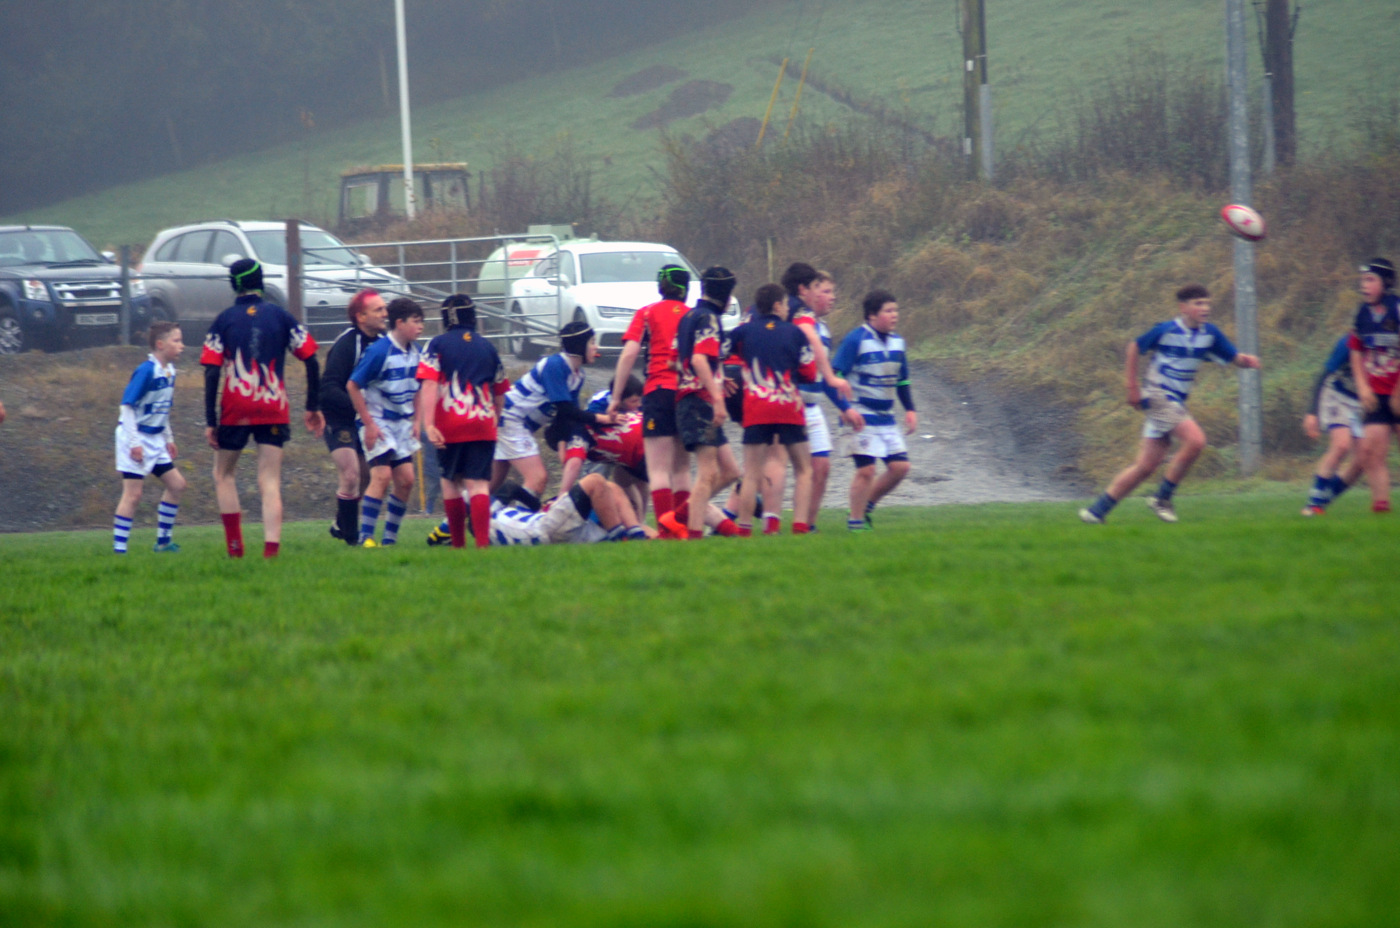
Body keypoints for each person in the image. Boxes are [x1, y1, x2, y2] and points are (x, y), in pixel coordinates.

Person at [1079, 283, 1261, 524]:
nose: (1205, 308)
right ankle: (1162, 498)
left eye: (1207, 303)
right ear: (1183, 307)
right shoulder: (1166, 330)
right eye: (1198, 303)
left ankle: (1096, 511)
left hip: (1175, 403)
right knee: (1196, 441)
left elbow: (1233, 357)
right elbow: (1134, 347)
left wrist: (1247, 361)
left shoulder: (1210, 334)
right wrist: (1131, 387)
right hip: (1158, 396)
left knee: (1145, 466)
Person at [202, 257, 323, 558]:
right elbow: (311, 360)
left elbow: (212, 372)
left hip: (236, 407)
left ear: (234, 285)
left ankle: (235, 548)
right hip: (273, 406)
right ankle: (271, 552)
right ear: (261, 281)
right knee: (269, 480)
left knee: (223, 475)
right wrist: (312, 405)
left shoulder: (223, 320)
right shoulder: (282, 317)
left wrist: (210, 420)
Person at [416, 294, 509, 549]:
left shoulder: (436, 344)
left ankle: (458, 546)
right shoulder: (488, 347)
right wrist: (495, 418)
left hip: (450, 424)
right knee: (478, 484)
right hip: (483, 423)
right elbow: (500, 390)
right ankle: (482, 546)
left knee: (450, 482)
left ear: (446, 319)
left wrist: (428, 424)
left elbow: (429, 383)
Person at [607, 264, 694, 533]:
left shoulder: (646, 313)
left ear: (660, 288)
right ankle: (683, 530)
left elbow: (629, 354)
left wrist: (616, 397)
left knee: (658, 470)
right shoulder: (693, 316)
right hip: (686, 393)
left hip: (658, 392)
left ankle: (666, 531)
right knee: (682, 469)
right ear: (686, 289)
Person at [729, 283, 818, 535]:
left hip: (756, 409)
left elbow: (720, 357)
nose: (788, 308)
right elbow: (810, 372)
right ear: (777, 305)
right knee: (804, 469)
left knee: (751, 473)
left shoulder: (742, 332)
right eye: (786, 304)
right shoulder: (795, 332)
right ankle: (800, 526)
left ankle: (744, 529)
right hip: (789, 408)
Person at [665, 266, 744, 539]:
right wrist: (718, 397)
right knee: (708, 473)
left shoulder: (688, 317)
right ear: (725, 294)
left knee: (731, 471)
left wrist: (717, 377)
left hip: (692, 398)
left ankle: (681, 515)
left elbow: (674, 362)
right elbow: (698, 360)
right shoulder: (709, 319)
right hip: (699, 402)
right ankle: (694, 535)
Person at [494, 321, 611, 505]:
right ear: (579, 346)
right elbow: (565, 408)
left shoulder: (578, 375)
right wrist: (601, 418)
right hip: (511, 419)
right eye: (592, 342)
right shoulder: (555, 365)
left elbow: (566, 417)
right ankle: (520, 520)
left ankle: (457, 520)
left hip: (514, 423)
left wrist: (563, 447)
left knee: (489, 484)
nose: (596, 347)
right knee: (537, 479)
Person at [832, 290, 918, 531]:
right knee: (866, 470)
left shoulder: (898, 342)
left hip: (886, 418)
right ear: (872, 315)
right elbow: (834, 378)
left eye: (896, 310)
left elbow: (902, 380)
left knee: (900, 468)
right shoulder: (855, 340)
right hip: (860, 414)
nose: (895, 315)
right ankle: (855, 524)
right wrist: (845, 408)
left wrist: (910, 409)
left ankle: (866, 506)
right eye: (888, 311)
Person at [783, 264, 856, 532]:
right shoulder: (793, 320)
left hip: (811, 407)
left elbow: (824, 376)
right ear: (808, 292)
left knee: (821, 466)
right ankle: (732, 513)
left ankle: (807, 526)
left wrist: (844, 407)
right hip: (787, 403)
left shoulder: (823, 330)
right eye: (825, 291)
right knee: (769, 465)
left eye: (832, 292)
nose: (831, 297)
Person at [347, 297, 424, 546]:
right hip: (377, 421)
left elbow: (420, 388)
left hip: (401, 423)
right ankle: (366, 537)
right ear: (399, 323)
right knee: (381, 476)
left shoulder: (417, 352)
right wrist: (369, 424)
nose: (421, 327)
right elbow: (353, 385)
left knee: (407, 480)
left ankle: (389, 540)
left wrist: (417, 421)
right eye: (416, 321)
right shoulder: (380, 351)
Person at [112, 321, 187, 553]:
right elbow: (127, 407)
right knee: (133, 495)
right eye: (177, 340)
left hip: (155, 439)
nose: (182, 345)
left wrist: (168, 438)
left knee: (177, 485)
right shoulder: (146, 370)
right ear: (160, 344)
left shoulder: (170, 371)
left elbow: (161, 410)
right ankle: (119, 551)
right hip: (134, 436)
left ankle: (163, 543)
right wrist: (134, 443)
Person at [320, 288, 387, 544]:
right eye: (378, 309)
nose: (385, 313)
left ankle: (341, 523)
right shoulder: (348, 344)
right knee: (350, 475)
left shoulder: (385, 343)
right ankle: (352, 539)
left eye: (384, 308)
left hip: (368, 419)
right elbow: (329, 387)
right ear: (361, 317)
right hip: (340, 417)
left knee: (367, 476)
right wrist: (359, 408)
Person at [1347, 258, 1400, 513]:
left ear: (1386, 282)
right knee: (1370, 451)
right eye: (1362, 280)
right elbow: (1356, 350)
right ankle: (1381, 506)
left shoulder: (1396, 308)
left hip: (1397, 391)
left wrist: (1398, 392)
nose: (1364, 285)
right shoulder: (1362, 313)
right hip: (1376, 395)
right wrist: (1363, 387)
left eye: (1370, 280)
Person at [487, 474, 652, 545]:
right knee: (596, 482)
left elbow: (510, 488)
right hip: (545, 530)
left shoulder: (490, 519)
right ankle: (624, 539)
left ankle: (638, 535)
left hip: (549, 528)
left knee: (608, 487)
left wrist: (537, 509)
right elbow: (510, 487)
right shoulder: (488, 517)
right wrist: (537, 506)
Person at [1301, 334, 1364, 515]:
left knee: (1361, 461)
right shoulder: (1349, 342)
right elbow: (1323, 376)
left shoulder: (1387, 345)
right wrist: (1312, 412)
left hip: (1361, 403)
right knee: (1341, 446)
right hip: (1338, 396)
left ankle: (1322, 501)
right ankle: (1313, 504)